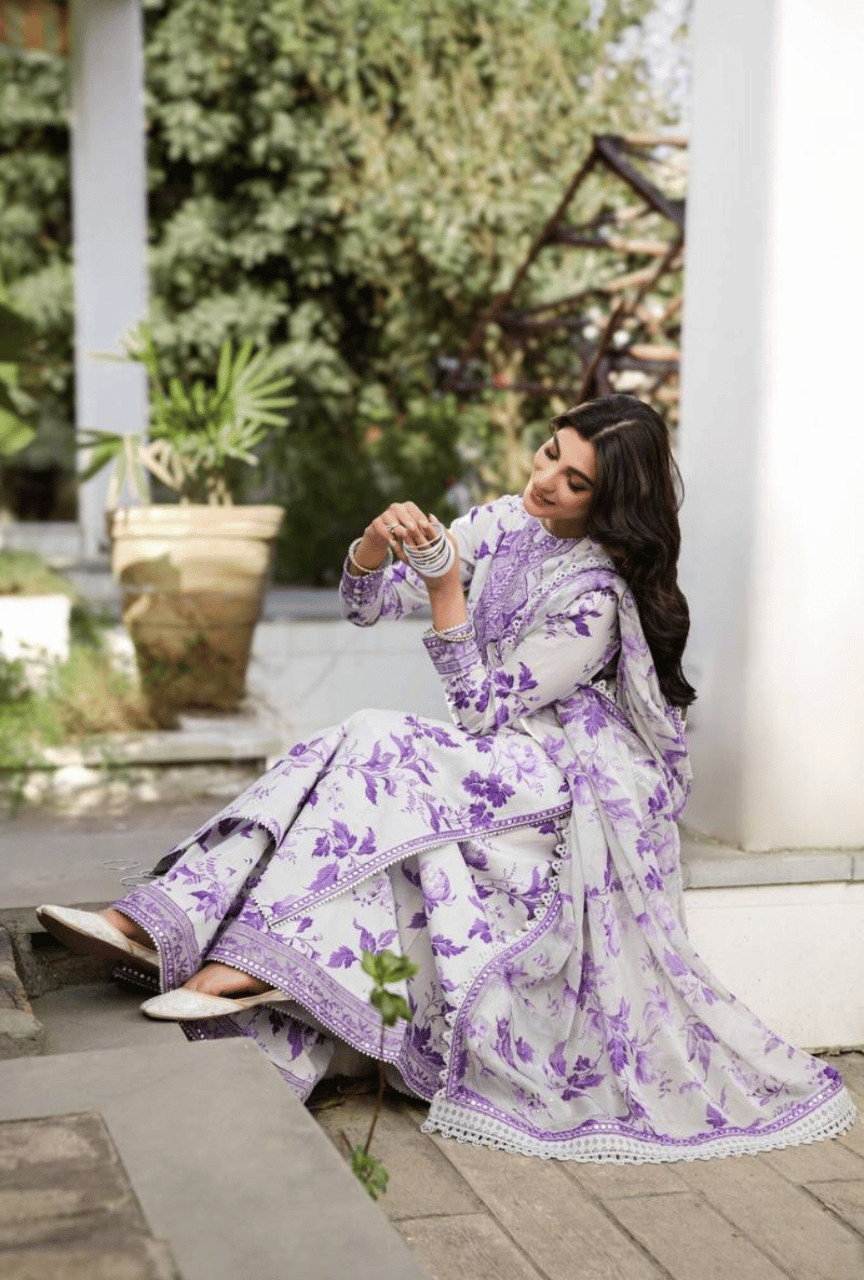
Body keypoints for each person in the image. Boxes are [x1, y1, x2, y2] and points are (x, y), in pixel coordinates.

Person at [38, 394, 854, 1162]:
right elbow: (368, 605)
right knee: (347, 751)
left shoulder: (597, 594)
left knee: (373, 740)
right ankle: (157, 927)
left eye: (576, 482)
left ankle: (215, 951)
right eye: (549, 454)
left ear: (609, 504)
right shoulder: (507, 519)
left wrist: (445, 584)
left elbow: (481, 708)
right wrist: (373, 545)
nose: (546, 482)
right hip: (490, 755)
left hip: (552, 775)